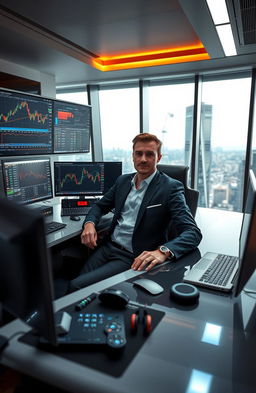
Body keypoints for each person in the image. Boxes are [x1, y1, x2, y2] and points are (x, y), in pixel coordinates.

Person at [69, 133, 202, 292]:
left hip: (132, 257)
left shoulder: (170, 188)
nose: (143, 159)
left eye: (149, 154)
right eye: (138, 154)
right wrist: (89, 224)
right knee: (79, 283)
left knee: (76, 286)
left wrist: (163, 251)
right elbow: (99, 206)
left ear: (158, 158)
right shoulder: (123, 181)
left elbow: (193, 233)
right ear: (132, 156)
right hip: (107, 247)